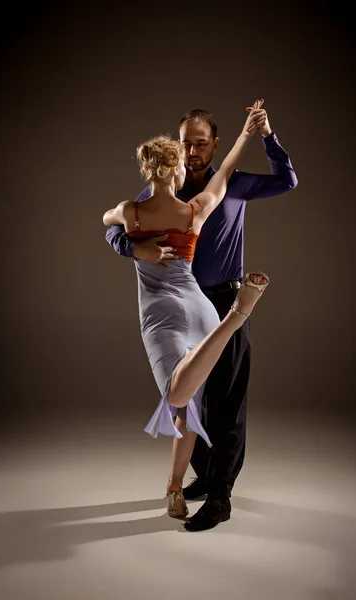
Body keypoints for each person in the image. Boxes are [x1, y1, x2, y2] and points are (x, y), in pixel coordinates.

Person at [105, 99, 298, 531]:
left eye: (200, 144)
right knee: (191, 401)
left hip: (222, 298)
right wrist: (137, 249)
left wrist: (265, 136)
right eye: (184, 144)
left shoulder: (234, 184)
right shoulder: (161, 190)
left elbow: (288, 180)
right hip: (181, 303)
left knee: (225, 404)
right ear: (175, 147)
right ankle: (206, 477)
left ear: (215, 145)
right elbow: (113, 229)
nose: (192, 152)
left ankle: (222, 497)